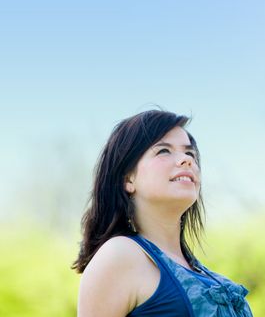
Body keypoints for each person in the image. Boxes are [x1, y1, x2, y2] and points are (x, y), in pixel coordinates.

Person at [72, 109, 253, 317]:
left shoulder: (206, 275)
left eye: (189, 153)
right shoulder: (119, 256)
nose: (187, 160)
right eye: (164, 151)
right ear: (128, 179)